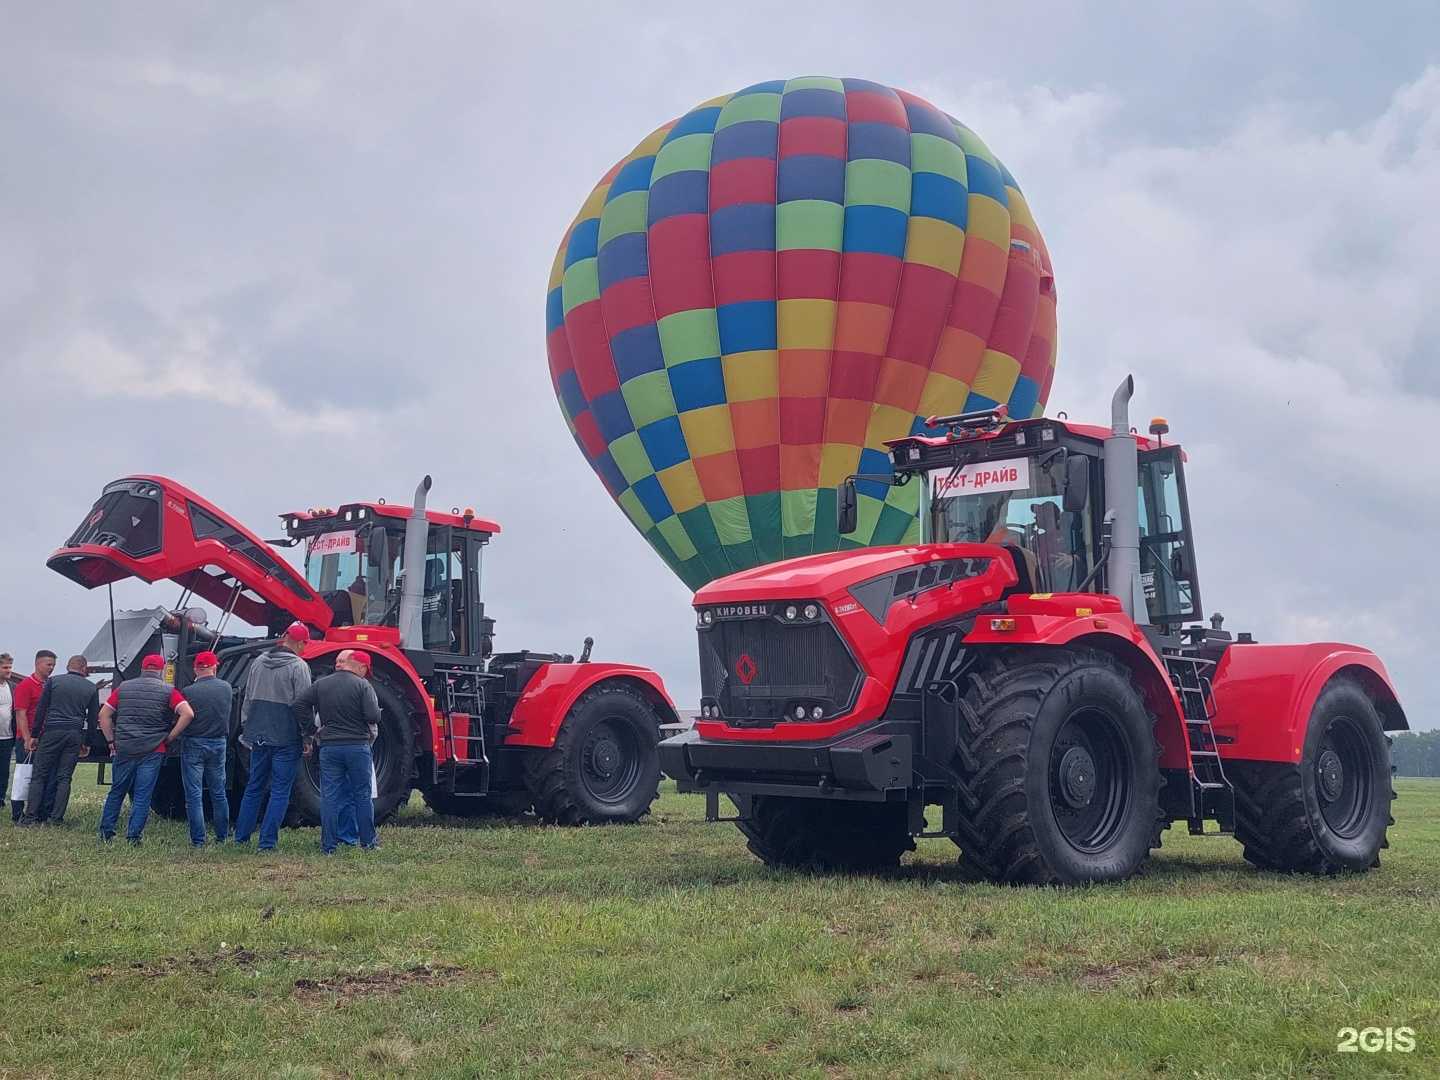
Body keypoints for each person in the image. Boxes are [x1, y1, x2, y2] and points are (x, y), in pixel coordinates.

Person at [97, 655, 194, 844]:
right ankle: (134, 836)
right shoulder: (168, 691)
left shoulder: (123, 688)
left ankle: (106, 833)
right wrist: (170, 737)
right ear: (162, 669)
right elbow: (187, 713)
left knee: (117, 791)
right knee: (143, 794)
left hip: (124, 747)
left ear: (142, 667)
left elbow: (104, 715)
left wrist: (111, 740)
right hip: (153, 749)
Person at [234, 622, 312, 852]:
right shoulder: (299, 667)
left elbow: (248, 698)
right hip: (286, 737)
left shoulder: (258, 662)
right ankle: (267, 843)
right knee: (280, 790)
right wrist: (307, 736)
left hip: (258, 735)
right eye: (304, 645)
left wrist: (248, 727)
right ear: (299, 642)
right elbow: (303, 704)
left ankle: (242, 837)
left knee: (254, 786)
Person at [295, 649, 381, 854]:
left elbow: (299, 704)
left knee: (330, 796)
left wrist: (312, 729)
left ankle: (329, 845)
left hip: (329, 747)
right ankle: (368, 843)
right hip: (357, 747)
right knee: (362, 794)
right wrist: (377, 713)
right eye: (364, 670)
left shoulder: (322, 684)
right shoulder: (363, 685)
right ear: (359, 667)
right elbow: (372, 716)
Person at [20, 655, 98, 826]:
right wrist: (88, 743)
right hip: (74, 734)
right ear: (84, 668)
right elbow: (93, 719)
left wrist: (34, 735)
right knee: (64, 777)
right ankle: (56, 819)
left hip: (52, 732)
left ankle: (30, 817)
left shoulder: (54, 682)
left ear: (68, 666)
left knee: (39, 775)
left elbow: (41, 710)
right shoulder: (91, 687)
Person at [180, 651, 233, 848]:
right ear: (215, 667)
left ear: (195, 668)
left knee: (194, 795)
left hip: (193, 742)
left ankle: (198, 840)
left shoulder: (188, 691)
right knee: (218, 792)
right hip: (218, 743)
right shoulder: (226, 688)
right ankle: (221, 836)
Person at [11, 650, 56, 823]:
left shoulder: (50, 685)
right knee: (23, 774)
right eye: (48, 664)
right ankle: (17, 813)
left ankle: (37, 811)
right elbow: (20, 714)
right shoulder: (26, 686)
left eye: (53, 665)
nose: (51, 668)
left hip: (45, 737)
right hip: (27, 736)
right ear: (38, 664)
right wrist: (27, 737)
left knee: (40, 776)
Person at [0, 655, 18, 818]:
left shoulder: (12, 687)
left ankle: (0, 799)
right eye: (5, 667)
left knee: (4, 770)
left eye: (10, 667)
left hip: (7, 737)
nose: (9, 671)